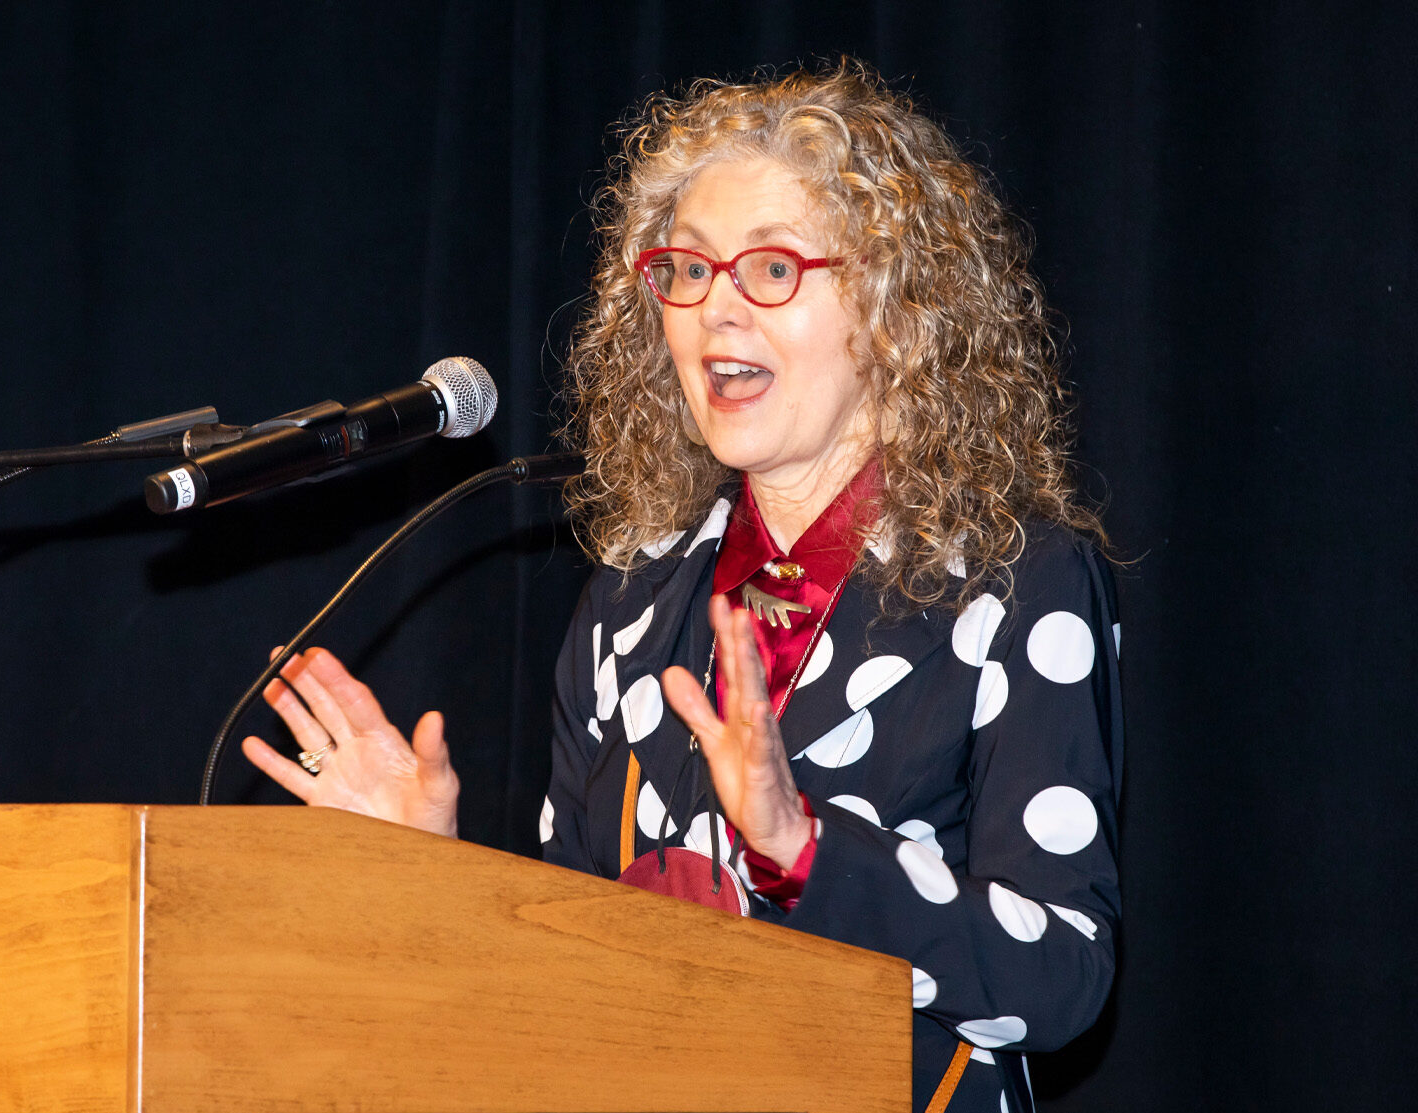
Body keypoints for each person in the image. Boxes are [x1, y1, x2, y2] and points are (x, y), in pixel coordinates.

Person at [243, 60, 1121, 1113]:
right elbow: (568, 977)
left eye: (772, 271)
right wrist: (431, 872)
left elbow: (1062, 978)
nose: (717, 310)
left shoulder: (1014, 581)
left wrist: (801, 850)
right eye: (689, 272)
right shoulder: (630, 602)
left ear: (900, 312)